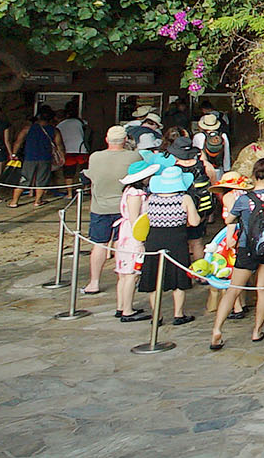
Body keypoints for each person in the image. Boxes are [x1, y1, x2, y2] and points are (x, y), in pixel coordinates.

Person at [209, 160, 264, 348]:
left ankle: (217, 329)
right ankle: (257, 331)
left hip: (247, 247)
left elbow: (229, 219)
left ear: (254, 175)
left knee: (234, 289)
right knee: (263, 288)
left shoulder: (244, 199)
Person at [138, 160, 200, 325]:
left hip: (154, 238)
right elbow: (194, 221)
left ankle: (156, 315)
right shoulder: (184, 198)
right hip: (176, 239)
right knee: (178, 276)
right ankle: (178, 314)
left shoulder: (151, 198)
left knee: (153, 276)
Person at [82, 126, 139, 296]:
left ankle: (94, 282)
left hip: (100, 207)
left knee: (99, 244)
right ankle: (123, 279)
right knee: (121, 243)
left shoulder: (95, 157)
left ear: (107, 140)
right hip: (124, 207)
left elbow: (91, 176)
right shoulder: (134, 156)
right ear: (125, 140)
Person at [111, 157, 155, 323]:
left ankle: (122, 306)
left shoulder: (129, 191)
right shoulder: (136, 194)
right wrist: (140, 241)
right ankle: (127, 311)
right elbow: (134, 219)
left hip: (125, 234)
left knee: (123, 274)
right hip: (132, 235)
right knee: (131, 274)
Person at [15, 109, 60, 208]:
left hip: (30, 157)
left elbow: (18, 141)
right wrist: (62, 156)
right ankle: (37, 201)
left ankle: (14, 201)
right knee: (42, 181)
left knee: (24, 180)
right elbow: (59, 145)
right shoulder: (54, 130)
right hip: (45, 158)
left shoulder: (28, 128)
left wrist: (13, 154)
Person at [56, 104, 90, 183]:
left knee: (68, 174)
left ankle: (69, 190)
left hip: (67, 150)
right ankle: (85, 187)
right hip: (81, 149)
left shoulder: (60, 125)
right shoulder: (82, 122)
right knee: (84, 171)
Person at [191, 111, 231, 176]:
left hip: (204, 169)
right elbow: (226, 153)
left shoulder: (198, 136)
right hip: (218, 169)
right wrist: (226, 169)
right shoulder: (223, 136)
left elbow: (195, 154)